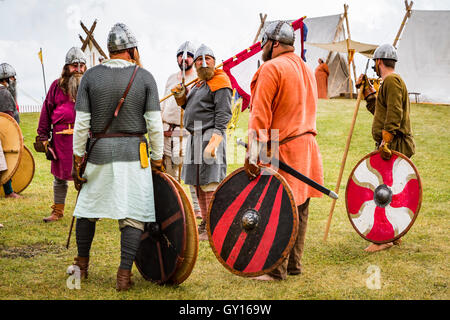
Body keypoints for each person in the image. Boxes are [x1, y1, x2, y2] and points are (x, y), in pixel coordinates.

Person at [71, 22, 164, 291]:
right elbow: (154, 125)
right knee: (133, 215)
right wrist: (157, 158)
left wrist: (79, 158)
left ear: (110, 50)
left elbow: (81, 124)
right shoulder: (145, 77)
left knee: (87, 211)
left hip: (98, 152)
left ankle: (81, 266)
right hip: (134, 156)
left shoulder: (90, 76)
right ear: (132, 50)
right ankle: (123, 276)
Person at [245, 21, 324, 281]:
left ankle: (274, 270)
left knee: (277, 207)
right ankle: (294, 264)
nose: (262, 48)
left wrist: (253, 155)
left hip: (283, 148)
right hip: (307, 147)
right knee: (299, 207)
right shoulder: (306, 68)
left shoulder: (270, 68)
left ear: (274, 43)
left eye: (264, 43)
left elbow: (260, 117)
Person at [356, 43, 415, 253]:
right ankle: (395, 233)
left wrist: (386, 141)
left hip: (394, 144)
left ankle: (384, 238)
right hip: (391, 142)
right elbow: (382, 112)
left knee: (385, 192)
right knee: (390, 190)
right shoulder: (389, 82)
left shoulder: (391, 80)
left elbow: (394, 114)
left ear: (378, 62)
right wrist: (368, 93)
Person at [172, 44, 232, 241]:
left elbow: (223, 113)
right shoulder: (198, 84)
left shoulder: (220, 82)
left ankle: (214, 224)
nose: (203, 62)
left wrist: (215, 140)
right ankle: (205, 223)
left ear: (215, 62)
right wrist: (182, 97)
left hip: (209, 136)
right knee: (198, 183)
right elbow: (189, 107)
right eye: (199, 59)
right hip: (194, 138)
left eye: (208, 59)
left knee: (210, 183)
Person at [35, 47, 87, 222]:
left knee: (87, 176)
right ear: (67, 67)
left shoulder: (90, 87)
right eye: (74, 65)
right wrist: (43, 137)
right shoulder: (56, 87)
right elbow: (46, 111)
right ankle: (57, 211)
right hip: (60, 141)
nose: (79, 69)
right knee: (59, 178)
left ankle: (89, 211)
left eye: (82, 65)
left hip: (84, 139)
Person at [161, 41, 201, 218]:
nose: (184, 59)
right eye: (181, 55)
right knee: (169, 172)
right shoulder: (171, 78)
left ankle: (198, 208)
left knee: (190, 172)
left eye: (189, 56)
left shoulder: (198, 79)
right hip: (167, 130)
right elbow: (164, 102)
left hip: (185, 132)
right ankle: (173, 205)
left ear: (194, 58)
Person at [0, 62, 22, 199]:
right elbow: (8, 120)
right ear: (6, 79)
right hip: (2, 135)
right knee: (5, 161)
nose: (14, 81)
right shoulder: (4, 93)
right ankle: (8, 191)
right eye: (12, 78)